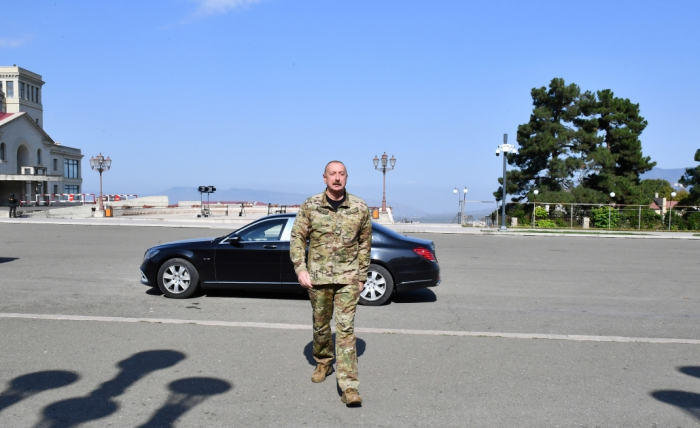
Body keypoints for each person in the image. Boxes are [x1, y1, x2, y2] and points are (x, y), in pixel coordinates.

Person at [290, 160, 372, 407]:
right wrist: (300, 268)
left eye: (341, 174)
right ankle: (324, 361)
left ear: (347, 177)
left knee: (346, 329)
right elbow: (297, 238)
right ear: (324, 178)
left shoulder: (359, 207)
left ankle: (349, 387)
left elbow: (365, 244)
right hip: (318, 277)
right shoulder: (311, 205)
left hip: (348, 278)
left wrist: (361, 277)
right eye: (332, 174)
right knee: (321, 325)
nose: (337, 178)